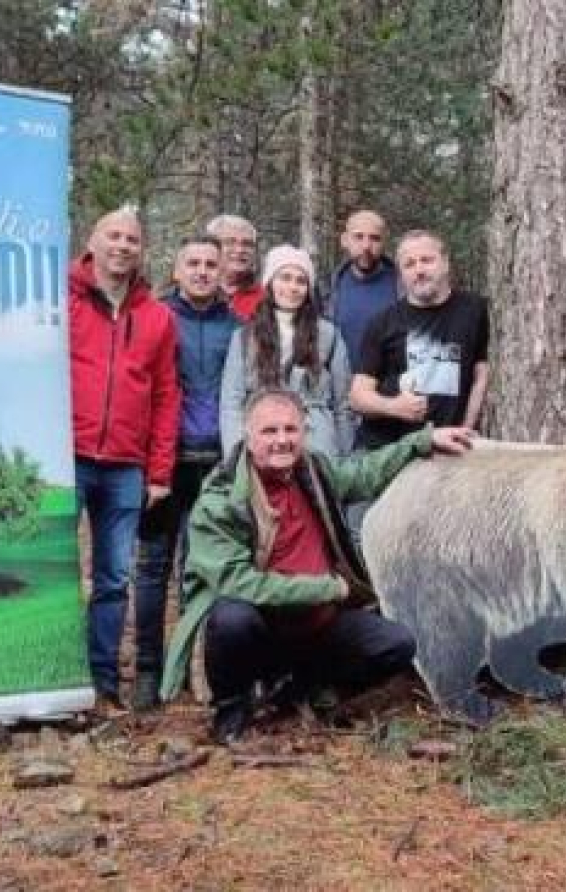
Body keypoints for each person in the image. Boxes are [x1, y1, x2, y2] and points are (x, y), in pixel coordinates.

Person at [158, 388, 474, 743]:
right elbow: (237, 582)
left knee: (397, 644)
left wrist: (423, 440)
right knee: (230, 618)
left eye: (290, 430)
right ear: (247, 437)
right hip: (263, 630)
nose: (282, 441)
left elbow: (364, 473)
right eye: (269, 431)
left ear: (304, 433)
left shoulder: (314, 471)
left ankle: (299, 691)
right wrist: (327, 588)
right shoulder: (219, 502)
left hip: (318, 626)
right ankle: (231, 712)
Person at [69, 208, 179, 709]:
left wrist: (158, 471)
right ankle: (51, 680)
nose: (122, 245)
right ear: (93, 241)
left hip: (125, 466)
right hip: (65, 455)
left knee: (114, 578)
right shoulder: (62, 300)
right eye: (113, 235)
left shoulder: (156, 317)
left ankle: (103, 684)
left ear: (142, 250)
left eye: (131, 239)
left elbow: (165, 396)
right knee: (53, 574)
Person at [131, 233, 240, 711]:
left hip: (215, 464)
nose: (201, 271)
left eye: (209, 264)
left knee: (201, 569)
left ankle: (200, 669)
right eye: (192, 263)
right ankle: (148, 672)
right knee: (153, 566)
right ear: (175, 270)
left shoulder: (237, 326)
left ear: (221, 271)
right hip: (163, 461)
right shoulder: (155, 318)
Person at [350, 230, 490, 449]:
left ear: (445, 263)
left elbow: (481, 377)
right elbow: (357, 396)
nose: (419, 270)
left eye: (427, 260)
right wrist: (393, 406)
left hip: (449, 445)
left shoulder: (475, 310)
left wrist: (467, 430)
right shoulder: (383, 321)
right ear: (401, 274)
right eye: (409, 264)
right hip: (390, 449)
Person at [221, 245, 355, 459]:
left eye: (300, 281)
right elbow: (231, 402)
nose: (292, 287)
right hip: (262, 446)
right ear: (270, 283)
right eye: (284, 277)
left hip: (317, 445)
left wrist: (345, 458)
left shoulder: (328, 335)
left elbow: (343, 406)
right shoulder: (245, 336)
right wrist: (235, 456)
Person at [319, 209, 400, 366]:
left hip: (390, 387)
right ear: (344, 240)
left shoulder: (404, 287)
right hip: (340, 387)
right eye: (358, 237)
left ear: (384, 243)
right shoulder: (326, 289)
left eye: (375, 238)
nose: (366, 246)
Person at [206, 214, 263, 320]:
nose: (239, 250)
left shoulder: (265, 299)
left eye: (247, 244)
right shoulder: (196, 292)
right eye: (230, 242)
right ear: (211, 247)